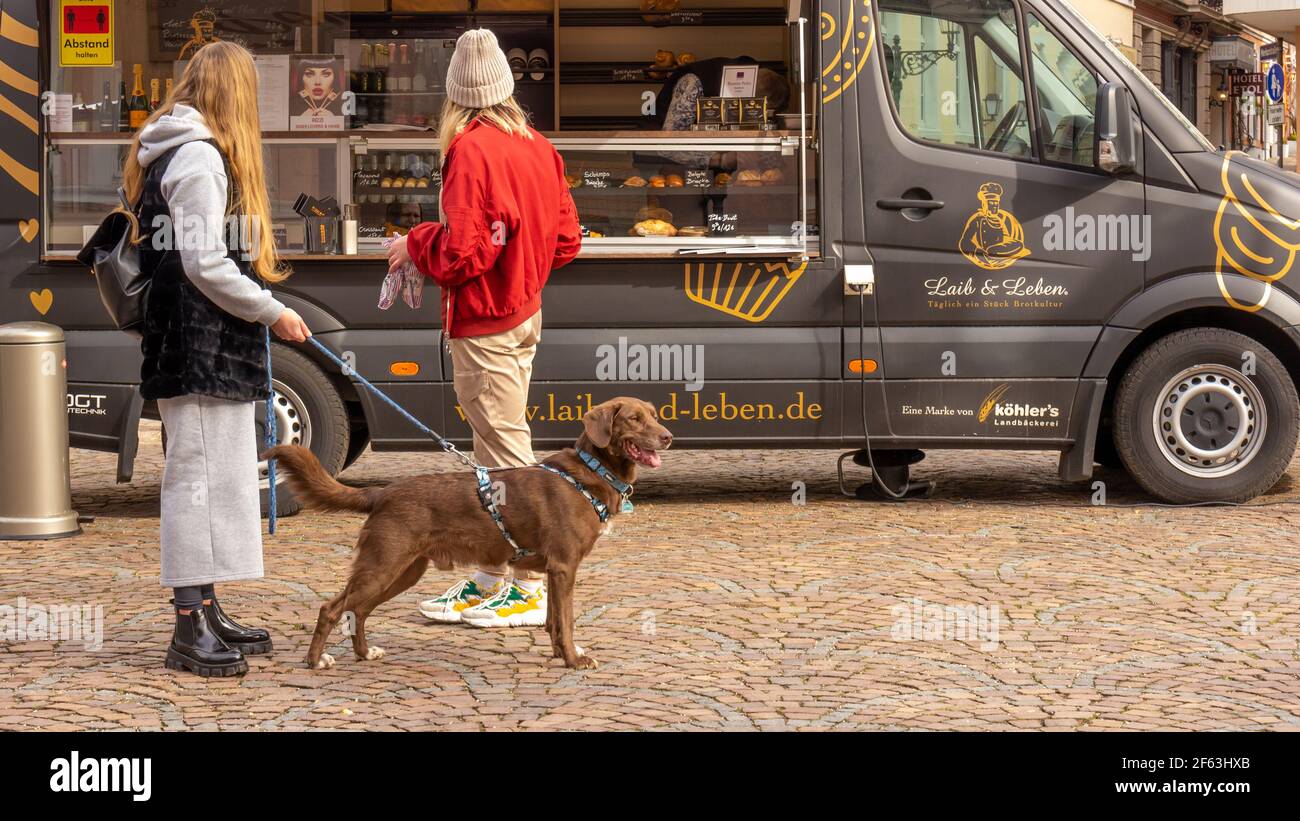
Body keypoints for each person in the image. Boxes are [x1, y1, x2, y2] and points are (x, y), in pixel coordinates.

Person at [122, 41, 312, 676]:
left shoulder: (179, 148)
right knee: (197, 481)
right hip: (198, 341)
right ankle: (187, 625)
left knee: (215, 477)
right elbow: (205, 262)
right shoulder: (200, 156)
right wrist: (272, 310)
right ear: (235, 92)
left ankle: (206, 606)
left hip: (196, 339)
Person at [387, 28, 582, 628]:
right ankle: (489, 575)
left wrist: (413, 242)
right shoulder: (536, 144)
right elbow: (568, 241)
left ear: (454, 96)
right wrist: (521, 261)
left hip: (486, 320)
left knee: (506, 456)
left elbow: (460, 255)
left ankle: (526, 587)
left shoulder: (470, 150)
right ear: (506, 86)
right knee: (493, 451)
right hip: (524, 311)